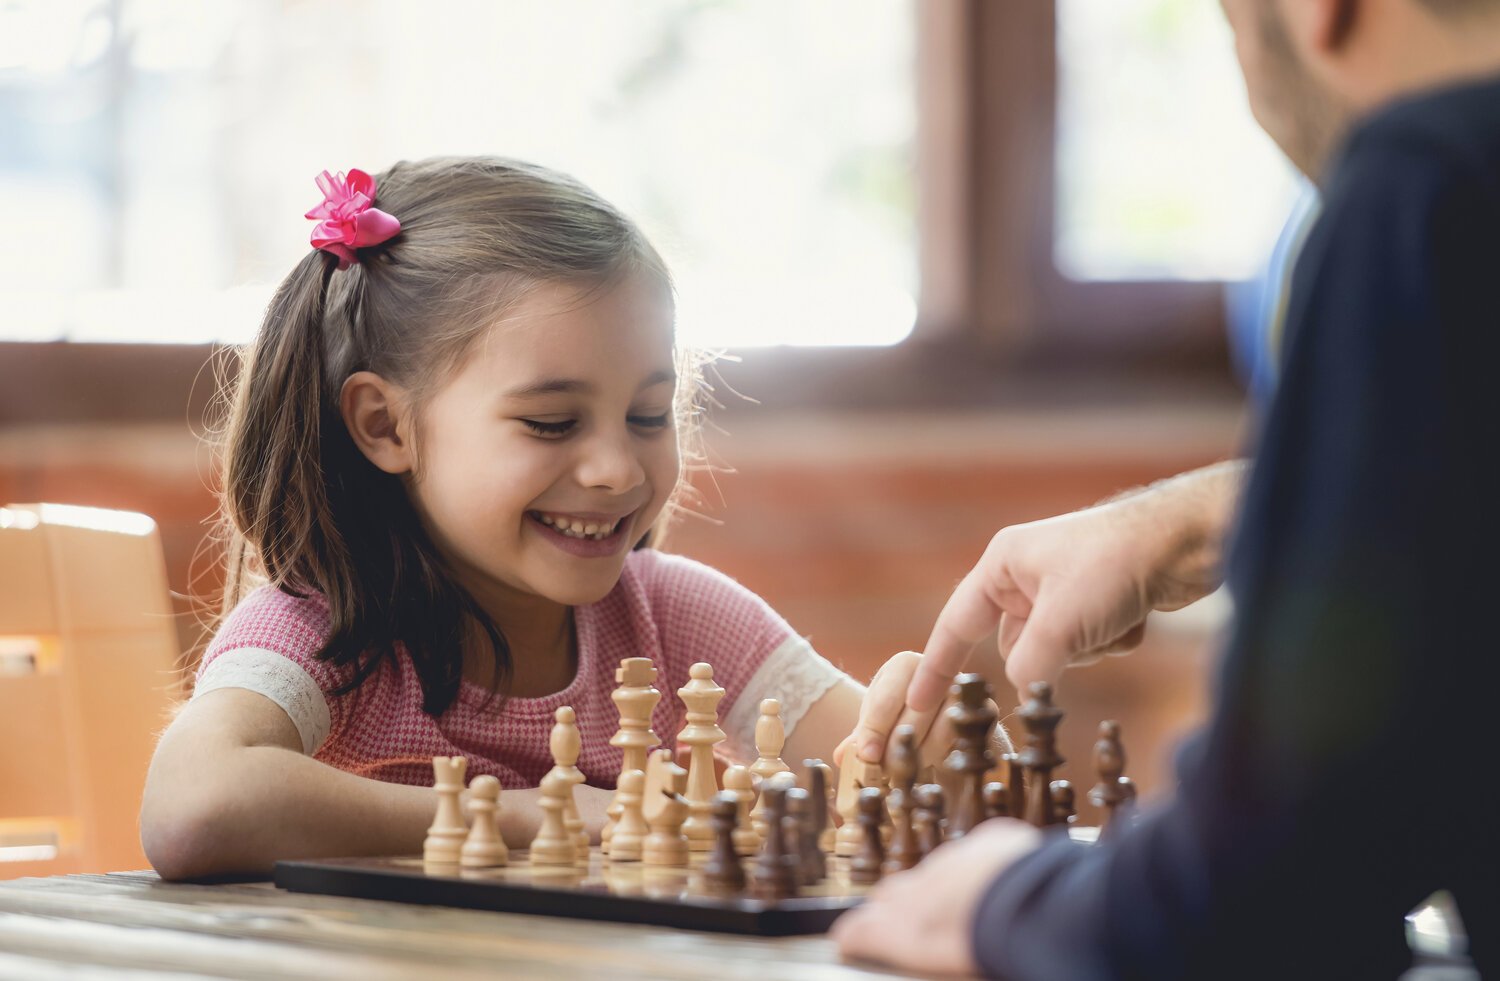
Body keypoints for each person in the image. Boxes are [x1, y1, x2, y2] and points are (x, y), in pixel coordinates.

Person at [834, 0, 1500, 976]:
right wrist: (1197, 518)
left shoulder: (1431, 178)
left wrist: (1004, 899)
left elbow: (1268, 899)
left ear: (1319, 12)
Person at [138, 157, 882, 880]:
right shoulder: (324, 634)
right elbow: (191, 807)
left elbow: (899, 762)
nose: (617, 469)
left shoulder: (678, 616)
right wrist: (532, 814)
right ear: (385, 426)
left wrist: (916, 714)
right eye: (553, 422)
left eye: (648, 415)